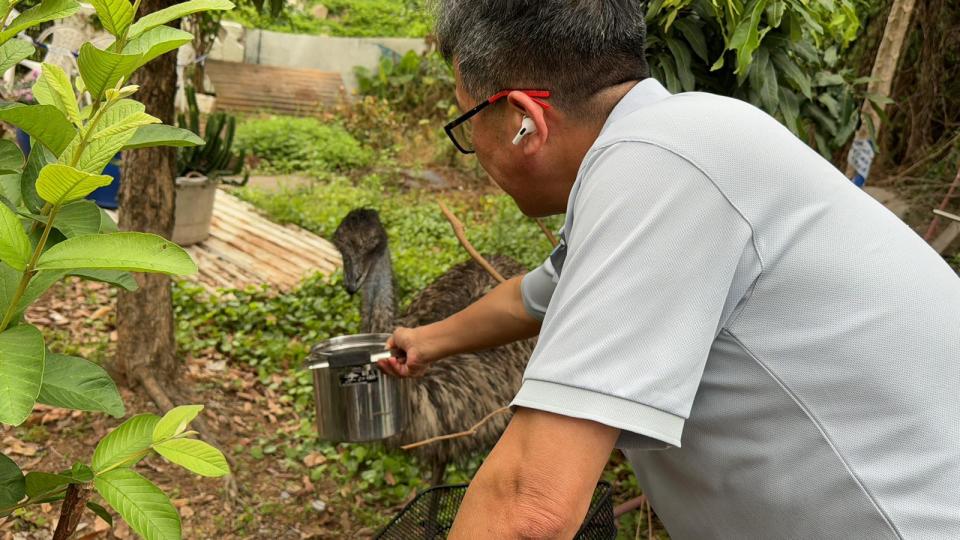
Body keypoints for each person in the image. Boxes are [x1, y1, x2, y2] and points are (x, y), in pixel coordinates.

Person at [378, 2, 960, 538]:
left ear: (523, 121)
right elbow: (532, 298)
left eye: (464, 124)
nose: (470, 146)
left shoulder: (659, 165)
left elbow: (530, 507)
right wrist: (425, 342)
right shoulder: (671, 141)